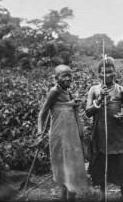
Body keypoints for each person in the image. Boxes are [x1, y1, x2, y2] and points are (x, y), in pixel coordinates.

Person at [37, 64, 89, 202]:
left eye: (69, 75)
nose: (68, 78)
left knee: (72, 165)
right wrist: (39, 131)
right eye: (64, 75)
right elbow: (42, 113)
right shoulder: (54, 91)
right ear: (56, 78)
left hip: (71, 135)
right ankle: (66, 197)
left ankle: (68, 197)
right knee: (63, 165)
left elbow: (66, 106)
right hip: (60, 136)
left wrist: (73, 103)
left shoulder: (67, 92)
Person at [86, 57, 123, 201]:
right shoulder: (94, 90)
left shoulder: (121, 90)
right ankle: (103, 192)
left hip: (117, 132)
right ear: (99, 74)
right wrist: (99, 99)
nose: (108, 75)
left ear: (115, 73)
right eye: (104, 72)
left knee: (120, 162)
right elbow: (88, 112)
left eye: (110, 72)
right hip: (100, 131)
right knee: (100, 162)